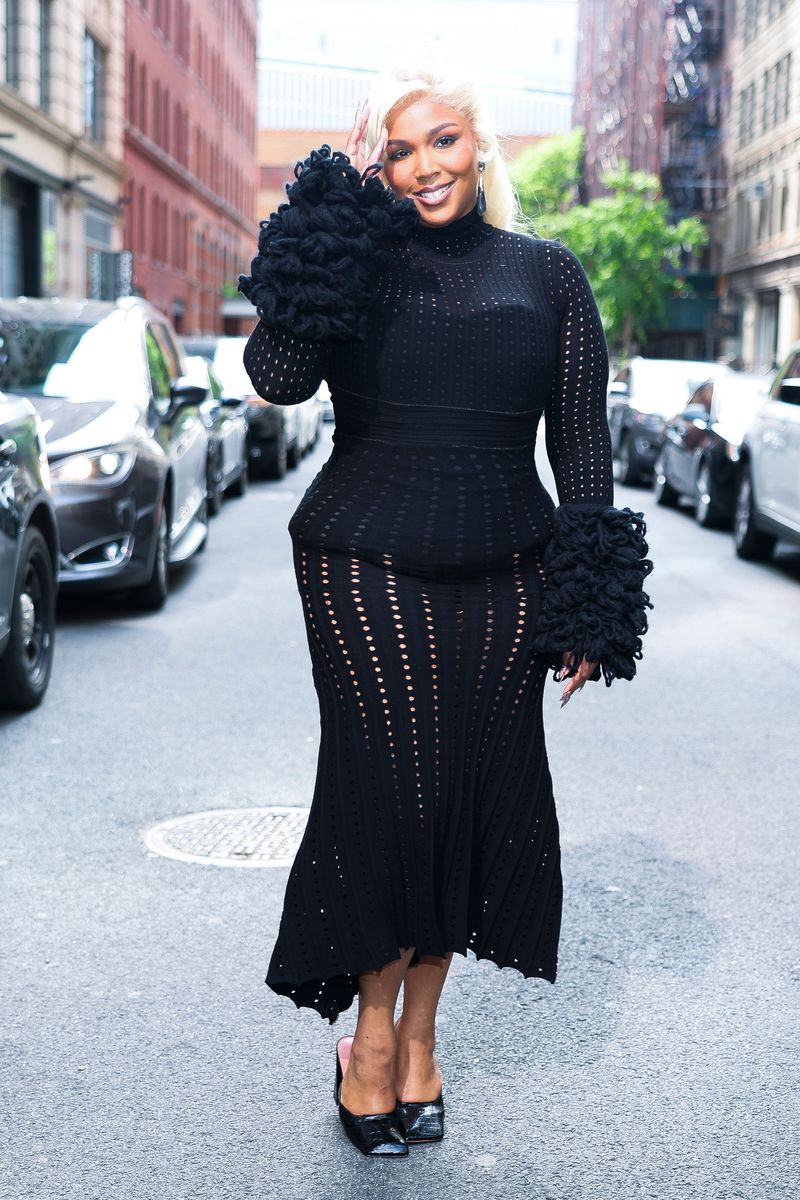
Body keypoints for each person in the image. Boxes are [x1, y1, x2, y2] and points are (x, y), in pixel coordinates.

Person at [239, 55, 653, 1157]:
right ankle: (368, 1040)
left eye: (441, 142)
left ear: (478, 144)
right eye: (397, 150)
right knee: (392, 800)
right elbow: (275, 376)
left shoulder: (547, 273)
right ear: (375, 164)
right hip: (360, 561)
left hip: (508, 568)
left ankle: (422, 1038)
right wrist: (329, 213)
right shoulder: (354, 259)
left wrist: (589, 601)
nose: (424, 168)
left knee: (471, 798)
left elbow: (581, 441)